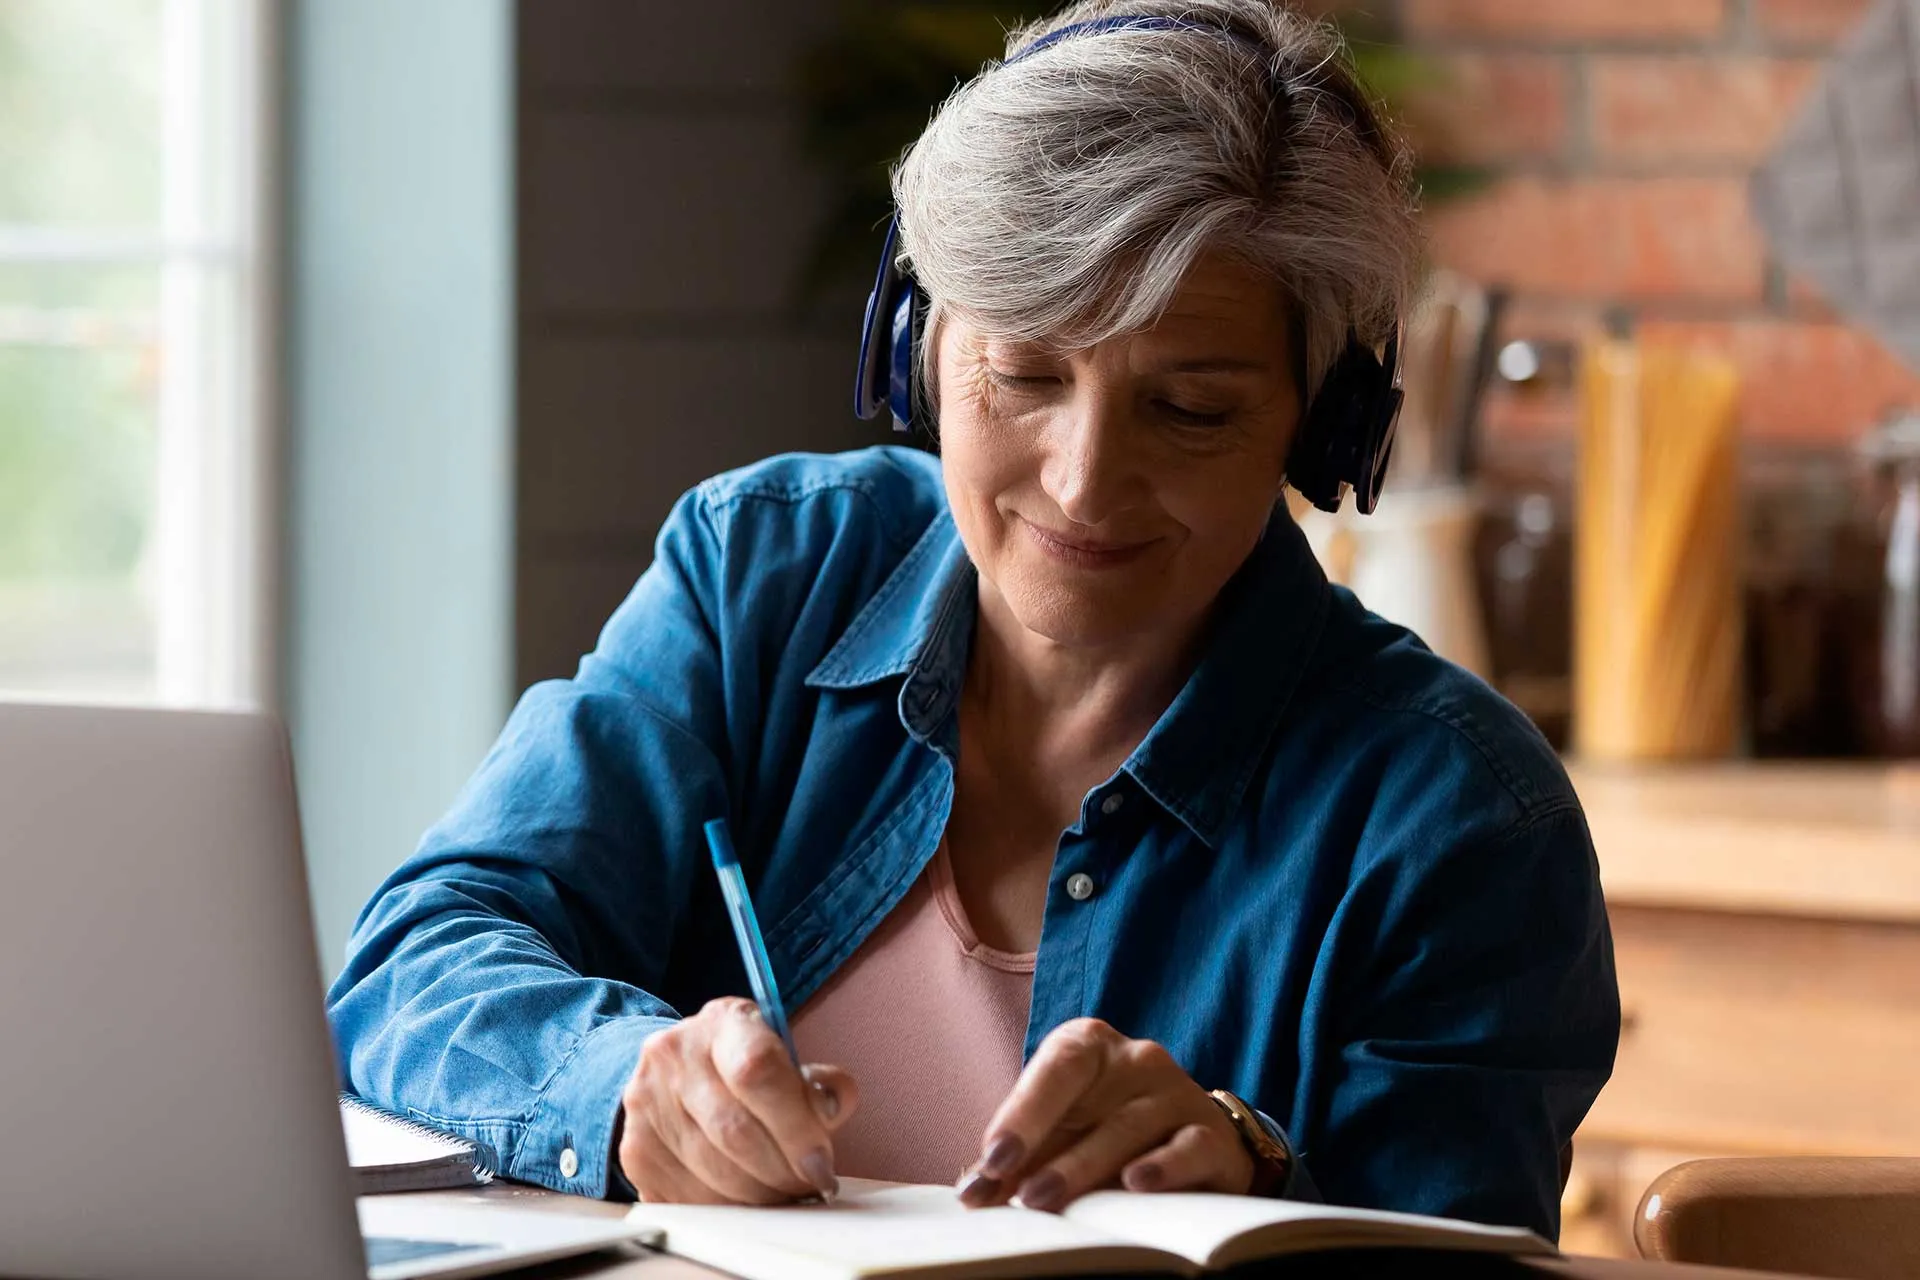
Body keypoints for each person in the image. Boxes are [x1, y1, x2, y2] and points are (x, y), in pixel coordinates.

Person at [327, 0, 1618, 1240]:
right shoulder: (762, 574)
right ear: (919, 345)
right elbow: (415, 965)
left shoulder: (1457, 819)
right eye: (1024, 375)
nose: (1082, 482)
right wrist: (621, 1084)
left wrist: (1255, 1167)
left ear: (1324, 425)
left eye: (1192, 410)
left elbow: (1453, 1247)